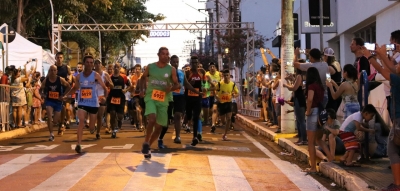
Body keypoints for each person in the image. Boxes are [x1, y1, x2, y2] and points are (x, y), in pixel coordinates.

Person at [365, 42, 400, 190]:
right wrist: (380, 56)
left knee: (392, 150)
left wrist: (371, 57)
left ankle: (397, 184)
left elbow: (382, 70)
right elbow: (389, 68)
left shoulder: (398, 80)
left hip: (399, 120)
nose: (396, 65)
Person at [139, 47, 180, 158]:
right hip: (150, 97)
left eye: (167, 54)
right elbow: (142, 78)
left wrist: (170, 89)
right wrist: (142, 90)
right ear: (158, 55)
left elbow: (178, 85)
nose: (165, 56)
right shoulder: (150, 67)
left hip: (163, 100)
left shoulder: (171, 69)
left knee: (159, 127)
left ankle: (147, 146)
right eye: (163, 54)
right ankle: (146, 141)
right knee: (152, 119)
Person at [62, 55, 108, 153]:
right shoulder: (78, 77)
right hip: (82, 102)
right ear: (84, 64)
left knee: (91, 127)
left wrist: (104, 97)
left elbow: (105, 88)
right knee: (81, 122)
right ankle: (78, 144)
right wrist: (67, 95)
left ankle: (93, 128)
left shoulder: (96, 75)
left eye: (91, 62)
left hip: (93, 103)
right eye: (87, 62)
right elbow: (75, 88)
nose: (90, 64)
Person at [302, 67, 333, 174]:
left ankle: (313, 167)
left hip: (313, 113)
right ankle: (331, 159)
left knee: (310, 142)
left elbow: (310, 99)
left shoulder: (311, 86)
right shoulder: (321, 86)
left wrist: (308, 111)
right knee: (319, 139)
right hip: (320, 113)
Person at [40, 65, 70, 141]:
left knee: (55, 121)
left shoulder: (60, 79)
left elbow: (68, 86)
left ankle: (57, 125)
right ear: (49, 71)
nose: (52, 72)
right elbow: (40, 89)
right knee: (49, 116)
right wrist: (42, 95)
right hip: (49, 101)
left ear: (56, 71)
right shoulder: (46, 80)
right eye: (51, 70)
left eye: (54, 70)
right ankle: (51, 134)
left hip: (58, 101)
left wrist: (63, 95)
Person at [184, 56, 207, 144]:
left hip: (198, 97)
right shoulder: (187, 73)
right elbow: (184, 84)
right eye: (192, 63)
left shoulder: (201, 72)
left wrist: (204, 75)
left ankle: (195, 137)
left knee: (196, 117)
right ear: (190, 63)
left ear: (198, 63)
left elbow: (204, 83)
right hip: (188, 97)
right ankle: (187, 121)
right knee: (189, 115)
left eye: (196, 63)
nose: (194, 64)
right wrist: (190, 83)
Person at [283, 67, 307, 145]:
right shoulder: (299, 76)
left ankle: (303, 139)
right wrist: (292, 79)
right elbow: (297, 84)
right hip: (298, 99)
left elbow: (294, 88)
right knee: (299, 120)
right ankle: (300, 138)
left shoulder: (299, 76)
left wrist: (286, 85)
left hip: (299, 99)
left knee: (301, 120)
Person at [107, 63, 130, 138]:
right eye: (115, 67)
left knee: (120, 115)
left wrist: (126, 90)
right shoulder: (110, 77)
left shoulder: (124, 77)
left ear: (120, 68)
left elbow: (130, 85)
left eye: (117, 67)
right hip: (112, 97)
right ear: (113, 68)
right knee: (112, 113)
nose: (116, 68)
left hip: (120, 97)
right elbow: (105, 85)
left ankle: (120, 120)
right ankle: (113, 131)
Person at [215, 69, 239, 140]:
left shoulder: (232, 84)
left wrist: (234, 95)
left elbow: (237, 93)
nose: (226, 77)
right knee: (223, 121)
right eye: (224, 75)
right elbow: (215, 91)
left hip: (229, 103)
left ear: (229, 76)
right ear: (223, 76)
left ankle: (225, 134)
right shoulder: (219, 84)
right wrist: (217, 97)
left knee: (228, 118)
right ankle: (224, 124)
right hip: (221, 104)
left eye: (227, 75)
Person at [94, 59, 113, 139]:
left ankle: (98, 132)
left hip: (102, 96)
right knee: (93, 115)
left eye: (99, 63)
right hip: (93, 97)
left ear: (101, 65)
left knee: (100, 115)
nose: (97, 65)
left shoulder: (105, 74)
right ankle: (93, 126)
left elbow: (112, 86)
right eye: (96, 63)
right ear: (94, 65)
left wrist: (108, 81)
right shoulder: (92, 74)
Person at [207, 62, 222, 133]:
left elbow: (220, 85)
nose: (212, 68)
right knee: (210, 110)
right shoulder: (206, 74)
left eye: (213, 66)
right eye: (211, 67)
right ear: (209, 68)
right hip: (208, 95)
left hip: (216, 95)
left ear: (215, 68)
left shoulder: (219, 74)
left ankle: (213, 125)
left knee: (215, 109)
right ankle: (212, 119)